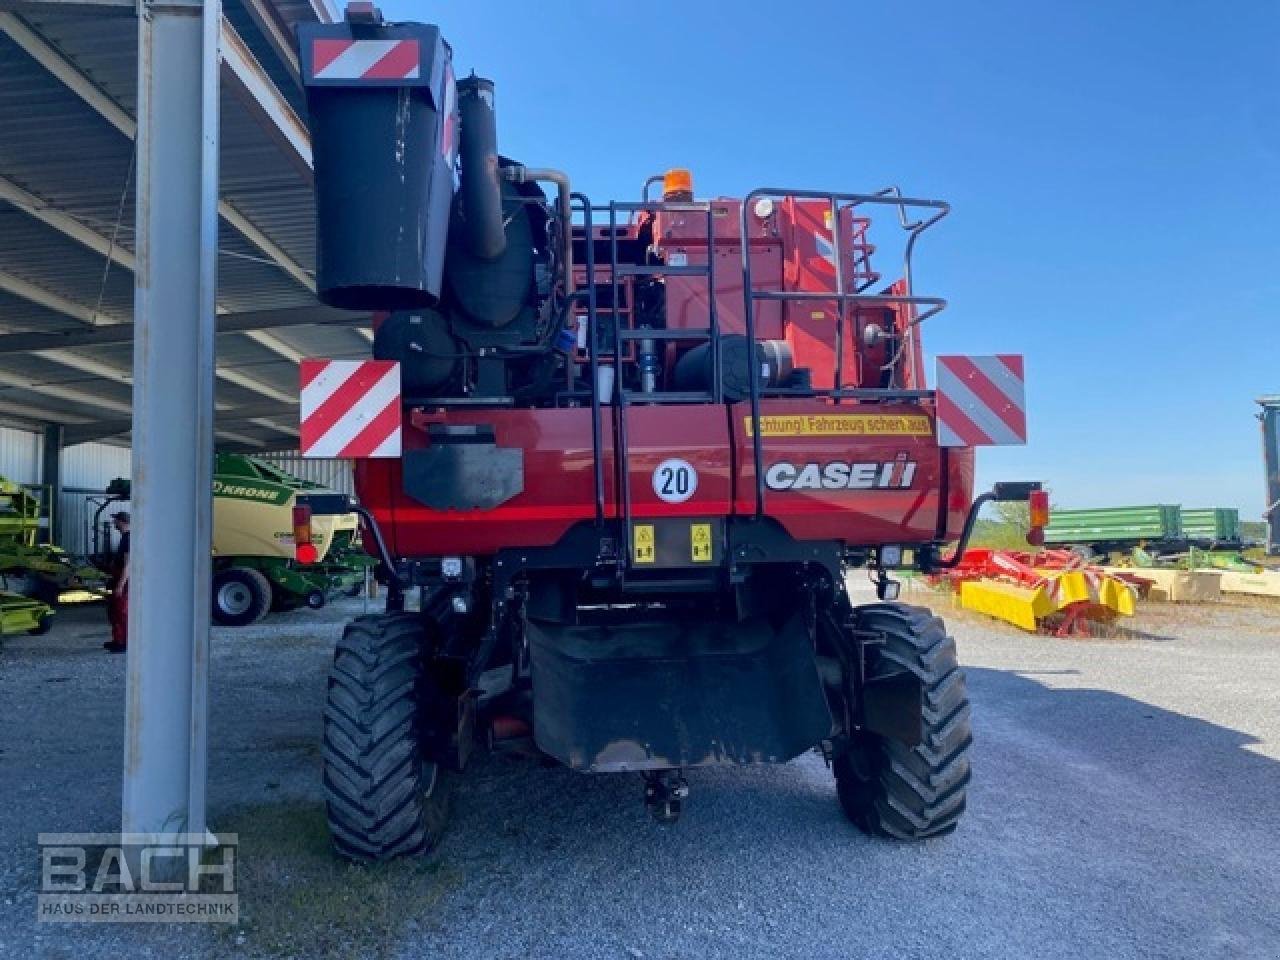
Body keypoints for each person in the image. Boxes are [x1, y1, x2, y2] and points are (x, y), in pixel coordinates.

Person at [104, 511, 130, 654]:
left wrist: (120, 584)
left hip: (123, 580)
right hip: (119, 578)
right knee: (114, 611)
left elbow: (128, 564)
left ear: (122, 522)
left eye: (116, 521)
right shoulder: (125, 538)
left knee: (121, 612)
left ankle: (123, 643)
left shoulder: (128, 539)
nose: (114, 523)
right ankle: (117, 640)